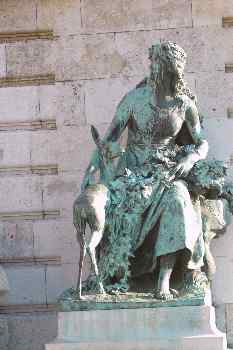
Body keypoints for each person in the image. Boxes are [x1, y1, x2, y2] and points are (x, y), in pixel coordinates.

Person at [82, 41, 208, 300]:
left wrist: (192, 157)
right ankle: (119, 271)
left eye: (157, 63)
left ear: (171, 70)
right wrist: (94, 165)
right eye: (153, 63)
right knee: (116, 206)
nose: (152, 68)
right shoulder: (134, 100)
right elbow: (109, 139)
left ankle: (164, 280)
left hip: (167, 171)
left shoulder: (184, 105)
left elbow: (201, 141)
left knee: (178, 199)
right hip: (132, 173)